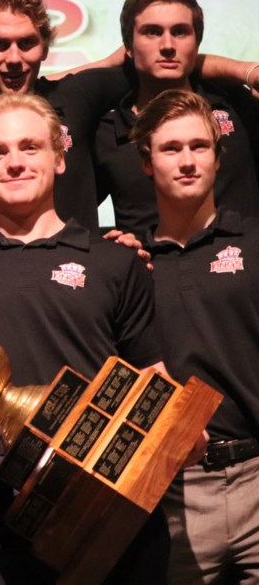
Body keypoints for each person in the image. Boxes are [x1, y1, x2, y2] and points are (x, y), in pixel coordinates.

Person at [0, 93, 165, 584]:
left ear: (59, 157)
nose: (15, 162)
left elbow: (154, 380)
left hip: (101, 494)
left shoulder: (116, 261)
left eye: (30, 147)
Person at [135, 89, 259, 583]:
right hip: (170, 492)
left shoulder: (254, 244)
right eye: (170, 149)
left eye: (199, 147)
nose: (187, 161)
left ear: (217, 155)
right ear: (146, 162)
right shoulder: (125, 263)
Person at [0, 0, 131, 236]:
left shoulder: (77, 100)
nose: (15, 59)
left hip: (76, 273)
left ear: (45, 47)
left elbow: (162, 62)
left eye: (27, 43)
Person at [94, 0, 259, 234]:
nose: (168, 46)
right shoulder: (105, 132)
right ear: (128, 47)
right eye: (152, 32)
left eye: (180, 32)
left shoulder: (237, 105)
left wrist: (246, 70)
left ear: (197, 43)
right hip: (147, 272)